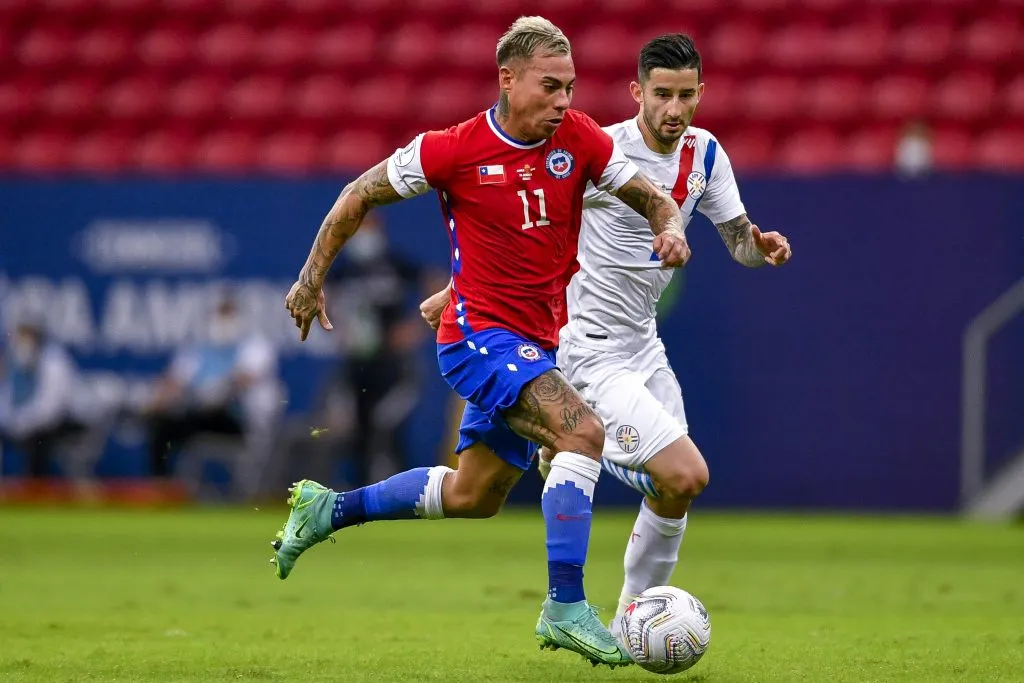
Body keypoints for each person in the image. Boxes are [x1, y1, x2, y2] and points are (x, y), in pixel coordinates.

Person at [270, 16, 689, 666]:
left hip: (536, 342)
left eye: (570, 87)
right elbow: (359, 194)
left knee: (474, 495)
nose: (564, 101)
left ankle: (326, 510)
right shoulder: (453, 149)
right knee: (581, 432)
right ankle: (565, 606)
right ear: (508, 79)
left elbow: (653, 197)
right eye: (549, 86)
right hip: (476, 336)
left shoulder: (577, 139)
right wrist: (310, 277)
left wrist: (670, 227)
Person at [421, 32, 793, 643]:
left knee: (679, 488)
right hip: (584, 345)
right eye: (662, 94)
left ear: (702, 93)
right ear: (636, 92)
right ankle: (566, 452)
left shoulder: (705, 156)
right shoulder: (597, 151)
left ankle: (630, 622)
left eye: (687, 95)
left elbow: (737, 241)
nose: (675, 109)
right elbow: (520, 227)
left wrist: (761, 248)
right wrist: (457, 292)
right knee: (683, 472)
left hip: (643, 344)